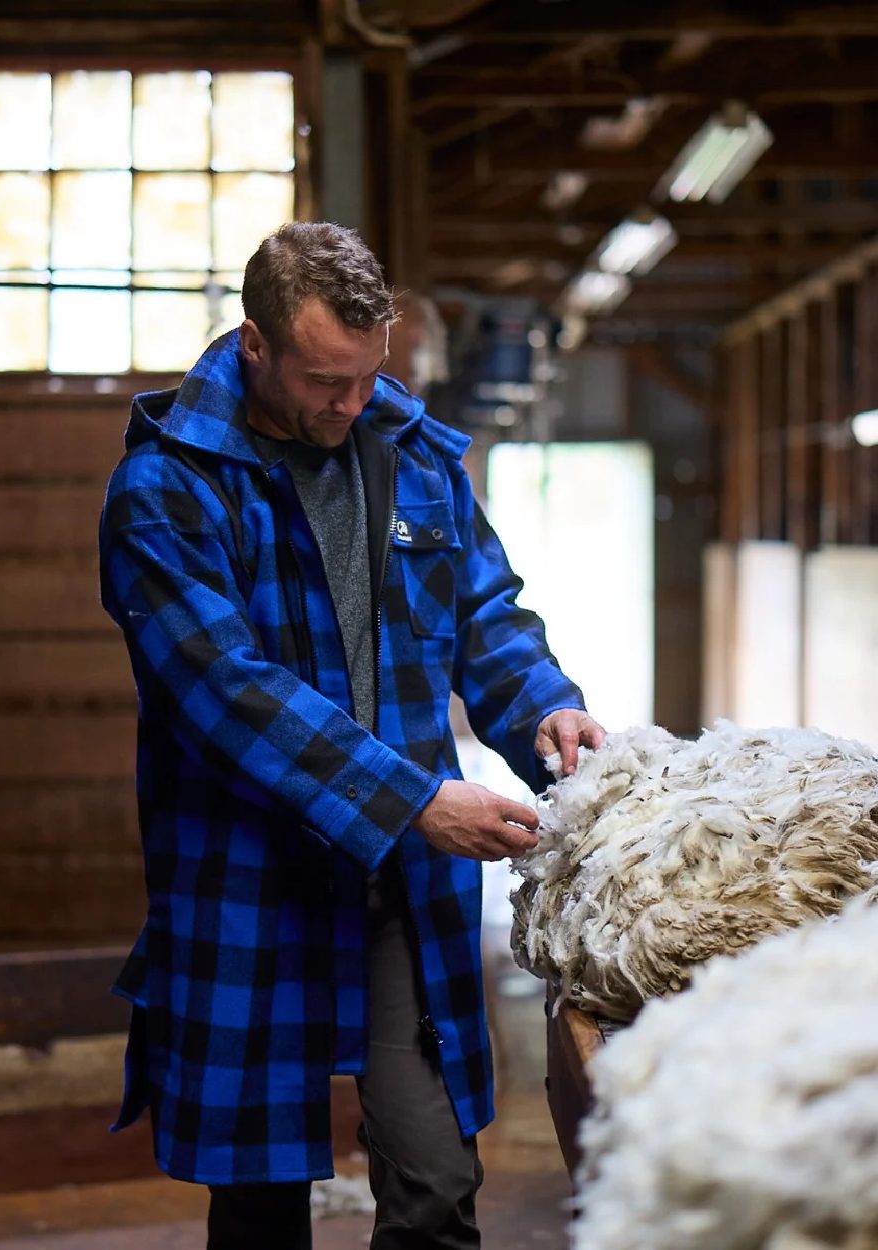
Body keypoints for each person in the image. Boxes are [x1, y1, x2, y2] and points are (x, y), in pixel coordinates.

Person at [99, 221, 605, 1250]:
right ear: (255, 344)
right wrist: (416, 800)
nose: (352, 402)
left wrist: (544, 707)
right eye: (326, 380)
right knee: (259, 1202)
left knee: (436, 1183)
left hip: (400, 887)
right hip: (252, 884)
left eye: (369, 374)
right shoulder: (166, 488)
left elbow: (484, 616)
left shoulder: (411, 455)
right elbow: (227, 691)